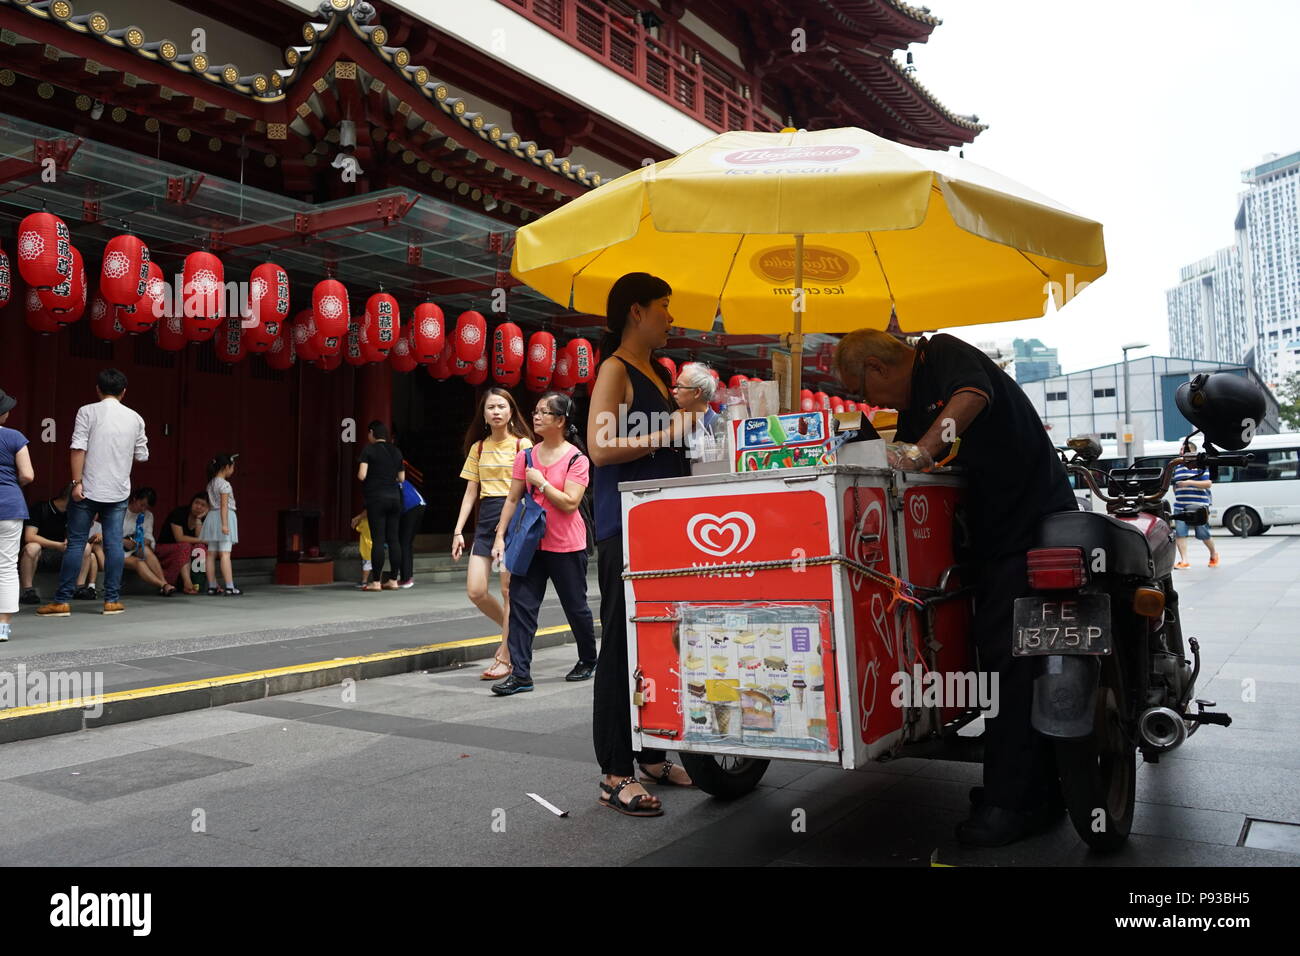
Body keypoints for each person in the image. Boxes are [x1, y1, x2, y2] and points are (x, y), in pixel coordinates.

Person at [834, 329, 1079, 847]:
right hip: (992, 538)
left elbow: (972, 397)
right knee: (997, 656)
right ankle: (1033, 785)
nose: (868, 402)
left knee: (1008, 661)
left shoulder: (942, 353)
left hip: (1031, 526)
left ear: (877, 367)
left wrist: (921, 453)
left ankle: (1015, 804)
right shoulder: (913, 404)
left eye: (864, 389)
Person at [587, 273, 700, 816]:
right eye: (664, 305)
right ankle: (613, 772)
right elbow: (600, 447)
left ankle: (653, 755)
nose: (670, 316)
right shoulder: (615, 369)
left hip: (664, 525)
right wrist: (670, 430)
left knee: (660, 639)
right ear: (636, 312)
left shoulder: (658, 371)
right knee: (621, 645)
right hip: (625, 527)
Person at [490, 391, 597, 695]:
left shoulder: (577, 459)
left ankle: (588, 659)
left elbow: (570, 503)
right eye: (535, 411)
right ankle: (521, 674)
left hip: (566, 544)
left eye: (543, 412)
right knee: (522, 607)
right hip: (530, 544)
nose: (535, 416)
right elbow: (512, 498)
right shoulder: (526, 456)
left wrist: (542, 483)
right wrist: (500, 535)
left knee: (575, 607)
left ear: (561, 420)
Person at [39, 368, 148, 618]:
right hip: (118, 491)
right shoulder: (135, 418)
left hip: (87, 490)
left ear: (97, 389)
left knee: (77, 543)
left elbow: (78, 448)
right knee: (113, 545)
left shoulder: (87, 411)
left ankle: (62, 601)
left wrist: (76, 482)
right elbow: (142, 455)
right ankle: (111, 600)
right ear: (124, 392)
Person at [453, 388, 533, 679]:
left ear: (511, 411)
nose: (496, 412)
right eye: (490, 408)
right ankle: (512, 632)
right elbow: (470, 491)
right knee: (476, 590)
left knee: (508, 591)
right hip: (486, 521)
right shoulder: (479, 448)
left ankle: (506, 655)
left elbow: (529, 487)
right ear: (483, 414)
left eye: (501, 406)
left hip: (513, 520)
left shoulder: (522, 445)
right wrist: (459, 530)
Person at [20, 484, 100, 604]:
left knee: (86, 547)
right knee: (32, 547)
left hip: (63, 552)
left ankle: (79, 588)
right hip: (40, 553)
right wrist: (57, 545)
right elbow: (29, 536)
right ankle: (27, 591)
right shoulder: (41, 508)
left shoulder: (74, 513)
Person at [0, 388, 35, 642]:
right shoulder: (15, 437)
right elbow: (28, 475)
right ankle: (2, 626)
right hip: (10, 506)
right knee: (6, 567)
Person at [357, 423, 404, 591]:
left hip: (377, 498)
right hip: (395, 498)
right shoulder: (396, 451)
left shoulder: (368, 450)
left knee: (378, 539)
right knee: (394, 539)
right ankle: (393, 580)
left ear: (371, 433)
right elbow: (402, 478)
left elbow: (362, 475)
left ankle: (376, 581)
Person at [117, 487, 175, 596]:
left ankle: (164, 583)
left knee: (147, 551)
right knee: (139, 562)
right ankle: (163, 585)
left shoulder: (148, 515)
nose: (143, 509)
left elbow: (149, 535)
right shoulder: (120, 512)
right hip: (119, 550)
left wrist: (144, 541)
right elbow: (109, 535)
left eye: (146, 507)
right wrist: (125, 542)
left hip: (136, 547)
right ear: (134, 499)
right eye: (142, 505)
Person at [1173, 440, 1220, 568]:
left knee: (1203, 533)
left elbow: (1208, 483)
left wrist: (1188, 483)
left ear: (1192, 452)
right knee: (1180, 533)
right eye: (1181, 449)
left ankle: (1214, 554)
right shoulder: (1177, 466)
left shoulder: (1200, 466)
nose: (1181, 451)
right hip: (1180, 506)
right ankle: (1184, 560)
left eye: (1184, 449)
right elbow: (1174, 484)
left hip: (1198, 506)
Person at [201, 453, 241, 595]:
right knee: (225, 554)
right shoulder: (225, 485)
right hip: (223, 517)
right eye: (232, 467)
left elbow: (212, 505)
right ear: (226, 467)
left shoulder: (211, 483)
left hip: (212, 517)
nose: (233, 470)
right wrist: (224, 525)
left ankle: (212, 585)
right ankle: (230, 586)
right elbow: (224, 506)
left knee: (211, 554)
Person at [155, 492, 210, 594]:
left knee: (200, 547)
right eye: (196, 503)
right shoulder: (179, 513)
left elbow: (199, 538)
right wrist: (202, 540)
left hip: (186, 549)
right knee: (185, 546)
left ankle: (197, 583)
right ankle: (187, 583)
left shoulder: (204, 518)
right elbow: (179, 538)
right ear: (191, 503)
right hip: (164, 548)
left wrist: (199, 519)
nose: (198, 507)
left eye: (203, 505)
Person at [673, 362, 720, 461]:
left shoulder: (718, 425)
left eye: (679, 386)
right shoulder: (675, 421)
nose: (674, 391)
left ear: (697, 392)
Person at [396, 472, 426, 589]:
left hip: (411, 508)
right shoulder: (403, 481)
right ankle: (408, 577)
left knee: (404, 543)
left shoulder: (393, 482)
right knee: (407, 543)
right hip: (420, 505)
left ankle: (406, 579)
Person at [350, 508, 373, 589]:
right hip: (376, 546)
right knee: (378, 565)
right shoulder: (377, 522)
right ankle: (377, 580)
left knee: (366, 565)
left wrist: (358, 519)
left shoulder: (364, 522)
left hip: (366, 547)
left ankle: (364, 581)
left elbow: (357, 528)